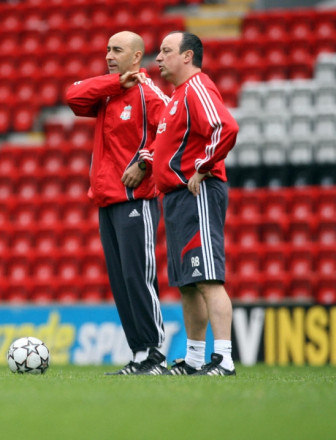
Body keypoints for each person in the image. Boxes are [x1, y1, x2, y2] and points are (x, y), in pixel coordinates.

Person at [66, 31, 171, 375]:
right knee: (122, 279)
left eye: (117, 50)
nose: (109, 54)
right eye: (107, 49)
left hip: (134, 200)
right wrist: (113, 81)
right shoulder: (109, 93)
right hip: (107, 199)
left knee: (138, 276)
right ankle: (139, 354)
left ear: (137, 55)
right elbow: (73, 96)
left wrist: (145, 162)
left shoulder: (148, 92)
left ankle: (155, 354)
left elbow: (172, 130)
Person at [152, 31, 239, 375]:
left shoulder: (197, 87)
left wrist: (202, 168)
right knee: (188, 284)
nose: (158, 58)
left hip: (196, 194)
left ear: (187, 57)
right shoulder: (176, 96)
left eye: (166, 51)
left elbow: (225, 127)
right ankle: (192, 359)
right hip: (175, 198)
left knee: (208, 279)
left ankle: (224, 360)